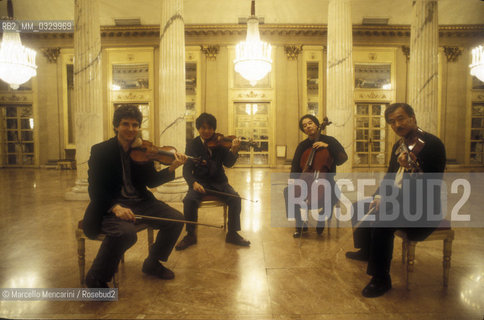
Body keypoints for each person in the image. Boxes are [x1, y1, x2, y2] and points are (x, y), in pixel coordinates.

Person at [345, 103, 446, 298]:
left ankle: (381, 278)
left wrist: (412, 167)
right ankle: (366, 250)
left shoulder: (432, 144)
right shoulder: (399, 145)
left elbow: (431, 182)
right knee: (359, 206)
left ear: (413, 118)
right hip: (398, 201)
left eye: (400, 119)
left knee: (384, 217)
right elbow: (390, 177)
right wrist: (379, 196)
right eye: (392, 122)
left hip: (423, 209)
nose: (396, 125)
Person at [82, 105, 187, 288]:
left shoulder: (143, 150)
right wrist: (115, 207)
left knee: (176, 219)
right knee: (126, 233)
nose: (131, 129)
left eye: (135, 125)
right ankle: (96, 277)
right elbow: (95, 188)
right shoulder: (101, 151)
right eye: (125, 124)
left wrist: (172, 168)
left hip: (141, 201)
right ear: (116, 126)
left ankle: (152, 263)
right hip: (111, 206)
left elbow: (151, 182)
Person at [175, 112, 250, 250]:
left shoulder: (220, 143)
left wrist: (233, 149)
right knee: (189, 201)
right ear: (198, 128)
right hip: (200, 182)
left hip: (219, 182)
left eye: (210, 128)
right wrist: (193, 183)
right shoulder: (193, 144)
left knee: (235, 198)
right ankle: (190, 234)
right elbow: (186, 169)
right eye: (203, 128)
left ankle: (232, 233)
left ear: (214, 129)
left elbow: (228, 163)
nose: (207, 131)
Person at [284, 114, 348, 238]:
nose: (308, 126)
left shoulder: (330, 141)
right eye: (304, 125)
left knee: (335, 194)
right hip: (305, 179)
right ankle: (300, 223)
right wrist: (292, 182)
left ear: (317, 124)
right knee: (288, 192)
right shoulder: (302, 145)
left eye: (310, 123)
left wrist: (328, 147)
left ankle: (322, 216)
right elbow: (295, 166)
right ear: (303, 130)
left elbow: (343, 159)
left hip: (326, 178)